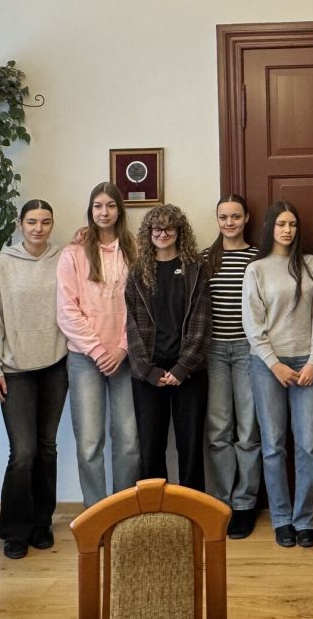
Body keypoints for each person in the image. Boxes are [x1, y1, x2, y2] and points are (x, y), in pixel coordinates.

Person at [0, 199, 70, 560]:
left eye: (45, 222)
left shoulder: (64, 258)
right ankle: (14, 530)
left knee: (46, 448)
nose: (38, 228)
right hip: (14, 371)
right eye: (32, 221)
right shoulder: (1, 265)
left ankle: (41, 523)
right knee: (23, 452)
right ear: (20, 224)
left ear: (52, 225)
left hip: (55, 366)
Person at [242, 201, 313, 549]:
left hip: (307, 364)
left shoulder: (312, 265)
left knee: (308, 444)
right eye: (281, 224)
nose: (287, 230)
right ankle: (281, 519)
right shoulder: (257, 269)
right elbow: (253, 324)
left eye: (292, 224)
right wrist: (274, 364)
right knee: (273, 446)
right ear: (270, 228)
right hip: (267, 368)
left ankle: (303, 518)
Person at [57, 182, 140, 507]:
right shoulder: (73, 253)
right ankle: (96, 513)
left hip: (125, 357)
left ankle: (123, 510)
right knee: (90, 443)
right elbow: (67, 310)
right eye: (98, 206)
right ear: (90, 210)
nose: (104, 212)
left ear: (120, 210)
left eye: (110, 205)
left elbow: (142, 308)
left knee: (129, 441)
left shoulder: (135, 250)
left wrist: (122, 348)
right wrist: (97, 350)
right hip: (85, 359)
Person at [125, 204, 212, 489]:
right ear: (148, 232)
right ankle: (155, 510)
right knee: (150, 448)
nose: (163, 234)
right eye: (157, 228)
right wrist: (147, 371)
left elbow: (201, 321)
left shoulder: (196, 269)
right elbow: (131, 326)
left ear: (179, 231)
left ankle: (191, 509)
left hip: (189, 372)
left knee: (190, 448)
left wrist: (182, 367)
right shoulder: (138, 272)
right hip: (149, 374)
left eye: (169, 228)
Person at [203, 194, 262, 539]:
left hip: (247, 351)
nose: (229, 223)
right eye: (223, 217)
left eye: (236, 216)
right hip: (213, 352)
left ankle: (245, 502)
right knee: (218, 429)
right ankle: (221, 502)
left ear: (246, 218)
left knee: (248, 430)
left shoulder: (257, 257)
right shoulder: (205, 259)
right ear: (217, 220)